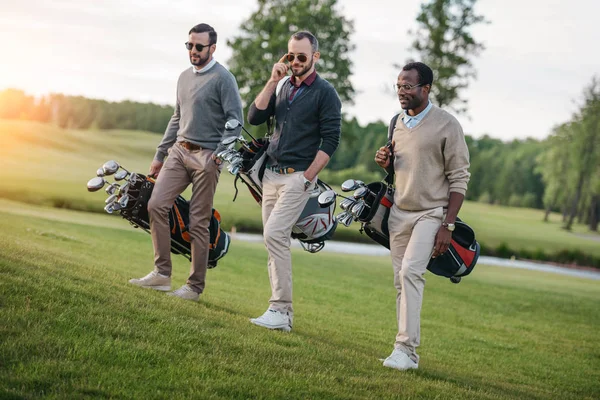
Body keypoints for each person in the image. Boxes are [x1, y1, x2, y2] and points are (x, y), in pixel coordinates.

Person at [128, 23, 243, 302]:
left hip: (207, 157)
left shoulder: (223, 79)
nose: (193, 50)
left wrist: (219, 153)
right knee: (156, 204)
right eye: (189, 45)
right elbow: (177, 117)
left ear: (212, 48)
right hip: (179, 151)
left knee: (198, 222)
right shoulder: (183, 77)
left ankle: (193, 287)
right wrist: (159, 155)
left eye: (199, 46)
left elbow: (235, 120)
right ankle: (162, 274)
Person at [374, 62, 471, 370]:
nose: (401, 92)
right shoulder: (396, 122)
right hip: (399, 213)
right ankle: (406, 352)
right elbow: (402, 170)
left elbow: (459, 177)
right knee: (400, 280)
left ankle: (405, 349)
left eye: (408, 86)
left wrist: (448, 224)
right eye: (398, 86)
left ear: (425, 89)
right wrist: (385, 163)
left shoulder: (447, 124)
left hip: (431, 214)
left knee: (411, 273)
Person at [246, 31, 342, 331]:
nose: (296, 62)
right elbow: (254, 117)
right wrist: (273, 80)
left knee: (274, 234)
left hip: (298, 178)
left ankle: (280, 309)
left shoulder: (326, 93)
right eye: (291, 56)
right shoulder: (284, 86)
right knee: (273, 240)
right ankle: (281, 314)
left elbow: (331, 141)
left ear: (316, 56)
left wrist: (307, 178)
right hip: (271, 175)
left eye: (302, 56)